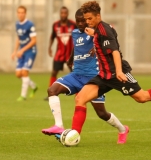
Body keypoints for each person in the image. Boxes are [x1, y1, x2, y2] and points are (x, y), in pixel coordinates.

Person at [68, 1, 151, 144]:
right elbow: (101, 38)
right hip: (103, 76)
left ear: (98, 16)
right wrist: (94, 33)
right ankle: (74, 136)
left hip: (117, 74)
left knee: (142, 97)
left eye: (90, 18)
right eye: (86, 19)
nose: (87, 22)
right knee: (80, 99)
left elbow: (115, 52)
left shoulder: (104, 31)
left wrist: (120, 72)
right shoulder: (99, 29)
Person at [42, 9, 127, 137]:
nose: (81, 23)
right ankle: (58, 126)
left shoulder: (96, 33)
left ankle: (122, 129)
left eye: (84, 21)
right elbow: (77, 47)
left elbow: (110, 37)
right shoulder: (75, 33)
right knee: (52, 90)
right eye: (78, 21)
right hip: (76, 75)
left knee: (102, 113)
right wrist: (70, 59)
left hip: (93, 79)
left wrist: (97, 43)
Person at [46, 7, 76, 98]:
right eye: (62, 13)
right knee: (54, 72)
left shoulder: (73, 25)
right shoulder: (55, 25)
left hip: (70, 54)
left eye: (65, 13)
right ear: (60, 13)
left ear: (68, 13)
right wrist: (50, 47)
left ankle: (78, 92)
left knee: (75, 72)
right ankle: (51, 93)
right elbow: (52, 37)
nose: (63, 15)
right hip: (59, 53)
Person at [11, 6, 38, 101]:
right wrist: (15, 51)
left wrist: (22, 50)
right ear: (17, 13)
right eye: (19, 12)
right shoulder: (17, 24)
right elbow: (19, 38)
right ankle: (33, 86)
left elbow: (34, 41)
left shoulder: (30, 24)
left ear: (25, 13)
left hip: (30, 51)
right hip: (22, 51)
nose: (20, 14)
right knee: (18, 74)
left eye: (22, 12)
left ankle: (23, 96)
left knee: (24, 72)